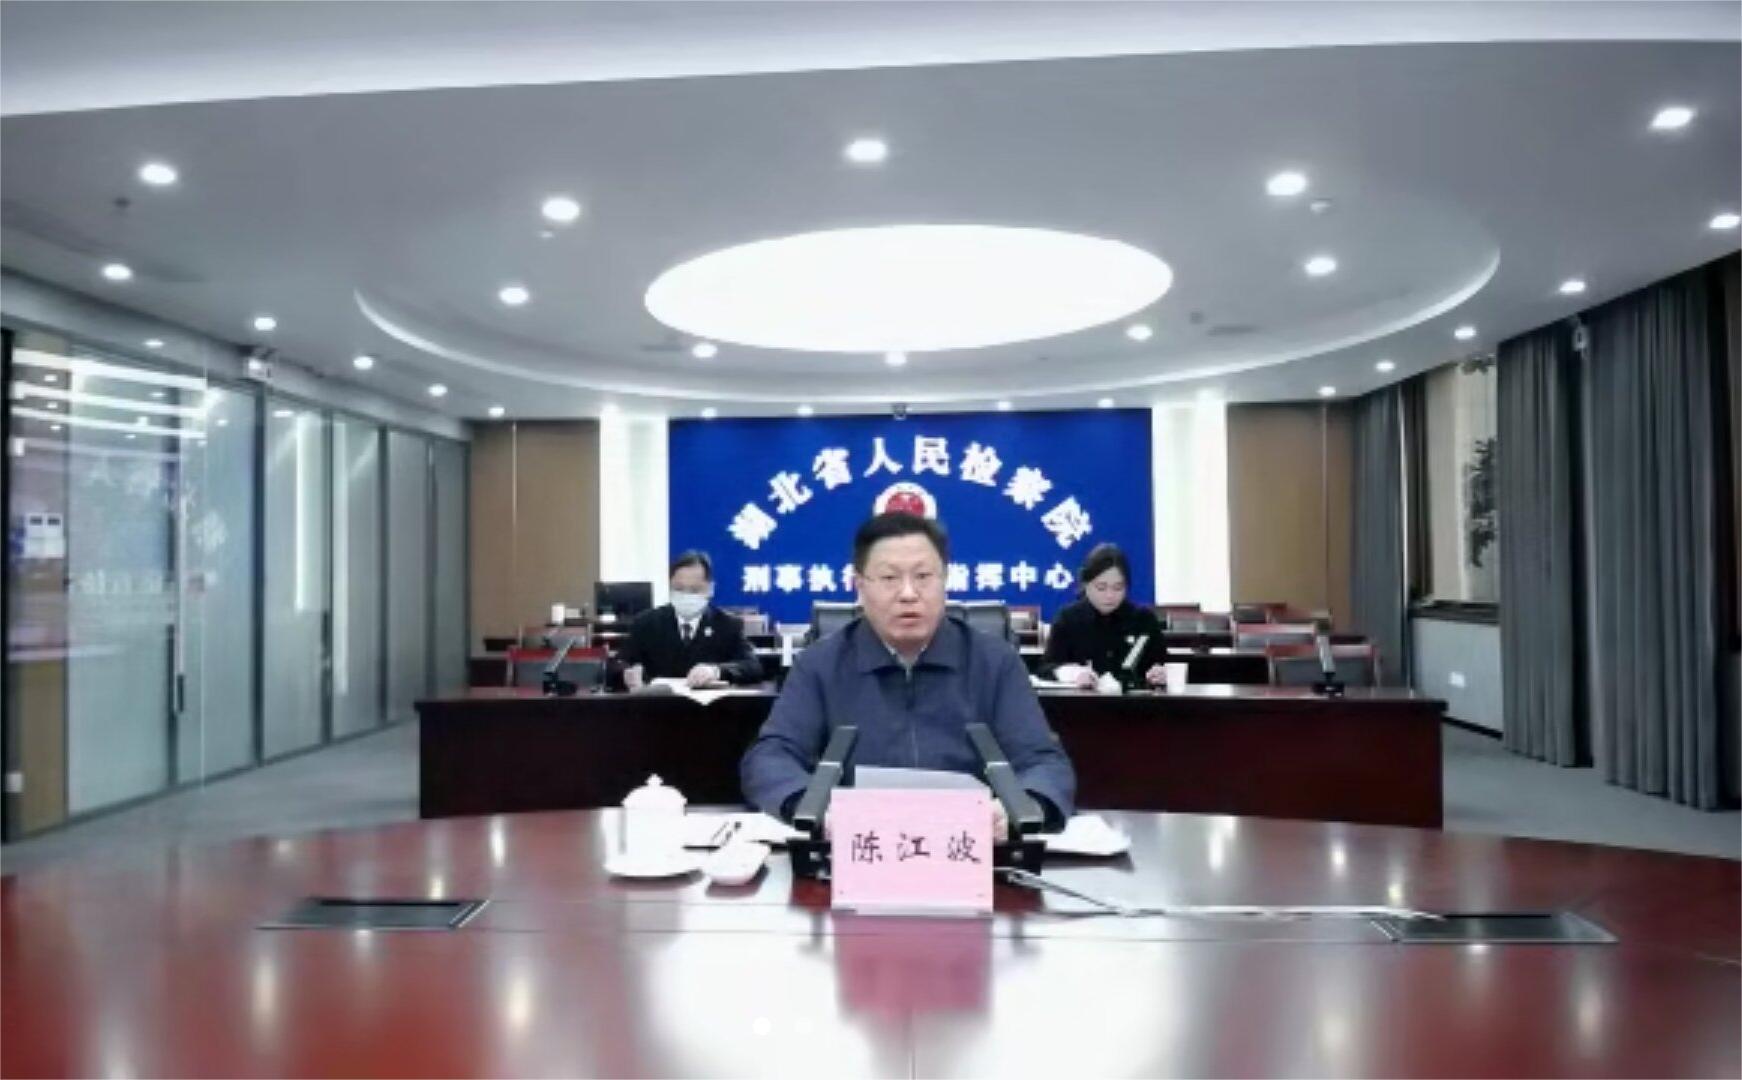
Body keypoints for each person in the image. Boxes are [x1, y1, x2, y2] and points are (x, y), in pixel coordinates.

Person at [740, 513, 1075, 831]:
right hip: (852, 848)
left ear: (945, 580)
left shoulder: (996, 661)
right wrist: (812, 809)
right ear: (860, 585)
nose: (908, 594)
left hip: (975, 849)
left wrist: (1019, 808)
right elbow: (770, 757)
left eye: (923, 576)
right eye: (889, 578)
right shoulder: (820, 664)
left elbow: (1043, 763)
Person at [616, 551, 763, 689]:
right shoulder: (646, 623)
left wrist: (716, 671)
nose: (686, 596)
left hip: (711, 706)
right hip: (658, 704)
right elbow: (618, 663)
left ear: (710, 589)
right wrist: (626, 673)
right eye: (679, 589)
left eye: (694, 590)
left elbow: (752, 666)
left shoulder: (727, 625)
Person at [1039, 542, 1167, 689]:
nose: (1109, 595)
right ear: (1086, 584)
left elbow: (1163, 663)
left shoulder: (1143, 620)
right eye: (1101, 588)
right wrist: (1073, 674)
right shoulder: (1067, 619)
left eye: (1118, 588)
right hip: (1083, 701)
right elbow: (1045, 668)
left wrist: (1161, 673)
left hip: (1135, 701)